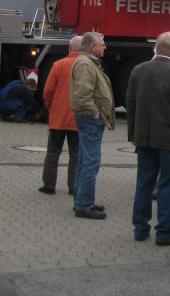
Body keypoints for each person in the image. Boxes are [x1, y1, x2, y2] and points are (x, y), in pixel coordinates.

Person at [127, 32, 170, 246]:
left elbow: (130, 104)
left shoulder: (138, 70)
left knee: (144, 183)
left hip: (144, 136)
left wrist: (134, 134)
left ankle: (140, 228)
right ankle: (164, 231)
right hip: (169, 138)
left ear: (156, 48)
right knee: (167, 184)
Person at [70, 32, 114, 220]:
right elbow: (82, 95)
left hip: (89, 119)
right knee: (91, 162)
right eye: (102, 44)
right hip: (90, 120)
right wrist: (96, 113)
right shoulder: (85, 65)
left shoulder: (88, 63)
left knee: (84, 160)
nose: (105, 47)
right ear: (92, 47)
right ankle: (84, 205)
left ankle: (81, 201)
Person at [39, 35, 82, 196]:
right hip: (78, 117)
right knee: (76, 154)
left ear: (69, 48)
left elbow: (48, 91)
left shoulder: (58, 65)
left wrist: (52, 107)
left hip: (58, 116)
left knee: (53, 152)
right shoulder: (88, 66)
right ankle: (74, 186)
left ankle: (49, 185)